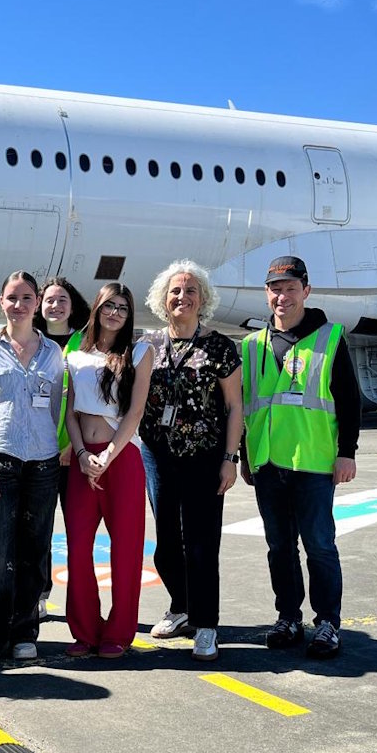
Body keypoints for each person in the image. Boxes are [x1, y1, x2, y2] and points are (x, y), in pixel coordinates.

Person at [239, 255, 360, 659]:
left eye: (291, 288)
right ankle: (288, 617)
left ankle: (327, 622)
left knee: (320, 545)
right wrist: (244, 456)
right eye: (275, 288)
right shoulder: (252, 345)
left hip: (312, 461)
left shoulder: (329, 338)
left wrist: (347, 454)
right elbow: (245, 406)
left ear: (306, 291)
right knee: (279, 547)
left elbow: (348, 401)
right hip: (268, 463)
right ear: (266, 293)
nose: (282, 296)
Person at [138, 260, 243, 661]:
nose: (182, 297)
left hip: (203, 456)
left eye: (190, 291)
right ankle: (181, 607)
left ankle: (206, 624)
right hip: (158, 457)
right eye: (175, 291)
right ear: (163, 300)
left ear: (203, 301)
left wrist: (230, 458)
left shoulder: (218, 347)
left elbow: (234, 406)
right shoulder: (148, 345)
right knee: (166, 546)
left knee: (201, 545)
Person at [0, 271, 65, 667]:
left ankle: (24, 631)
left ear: (37, 303)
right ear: (0, 302)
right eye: (11, 297)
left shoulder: (53, 353)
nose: (18, 304)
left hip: (42, 465)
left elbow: (55, 407)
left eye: (26, 298)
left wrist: (51, 449)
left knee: (34, 549)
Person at [62, 283, 153, 658]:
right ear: (97, 308)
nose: (115, 312)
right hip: (83, 462)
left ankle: (118, 632)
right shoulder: (76, 355)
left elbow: (135, 411)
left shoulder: (141, 351)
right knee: (78, 548)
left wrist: (108, 456)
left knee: (126, 550)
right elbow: (71, 413)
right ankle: (85, 632)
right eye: (109, 305)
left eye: (122, 308)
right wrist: (82, 454)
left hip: (123, 459)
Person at [34, 277, 90, 616]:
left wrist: (75, 446)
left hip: (75, 454)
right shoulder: (32, 341)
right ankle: (39, 595)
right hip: (37, 453)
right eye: (50, 300)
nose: (55, 306)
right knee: (39, 528)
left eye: (62, 299)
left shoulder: (87, 342)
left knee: (78, 531)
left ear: (73, 304)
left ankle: (81, 601)